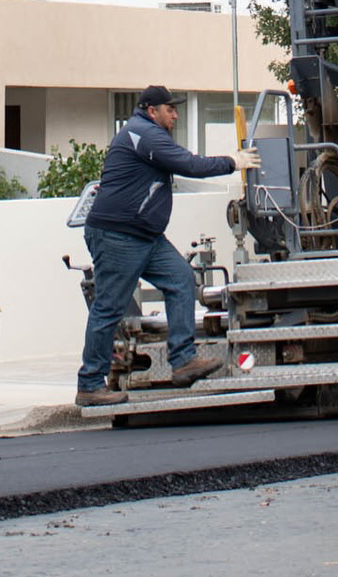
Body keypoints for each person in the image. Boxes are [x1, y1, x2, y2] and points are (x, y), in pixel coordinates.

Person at [76, 86, 262, 406]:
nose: (175, 115)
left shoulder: (147, 133)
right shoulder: (143, 133)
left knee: (180, 279)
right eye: (170, 109)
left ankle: (183, 361)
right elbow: (188, 164)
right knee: (109, 307)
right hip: (119, 234)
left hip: (145, 235)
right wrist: (232, 161)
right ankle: (90, 384)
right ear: (152, 111)